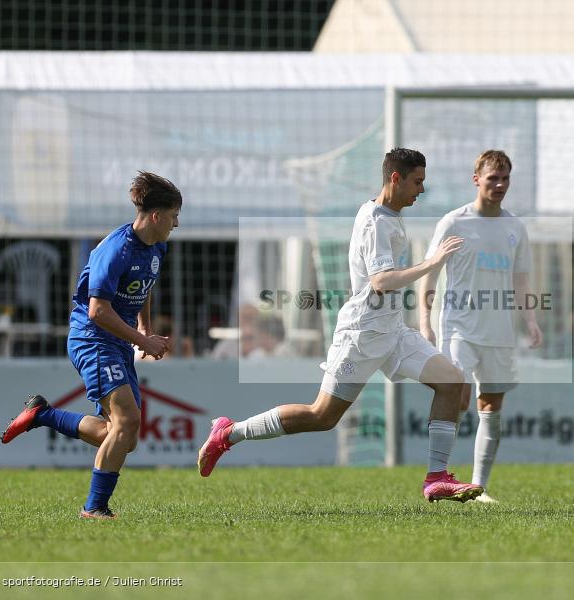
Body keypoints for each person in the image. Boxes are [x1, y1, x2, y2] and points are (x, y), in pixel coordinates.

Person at [197, 148, 483, 503]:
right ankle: (230, 433)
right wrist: (432, 262)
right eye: (417, 182)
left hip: (392, 332)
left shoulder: (388, 214)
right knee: (322, 415)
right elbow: (381, 281)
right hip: (362, 335)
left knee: (452, 381)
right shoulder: (376, 222)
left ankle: (436, 478)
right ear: (395, 178)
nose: (421, 190)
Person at [0, 172, 181, 519]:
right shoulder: (115, 250)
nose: (177, 223)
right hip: (92, 338)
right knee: (127, 421)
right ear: (156, 216)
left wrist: (144, 325)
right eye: (174, 216)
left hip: (118, 341)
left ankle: (43, 414)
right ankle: (94, 508)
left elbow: (144, 284)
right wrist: (143, 339)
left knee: (125, 437)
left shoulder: (156, 245)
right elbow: (98, 311)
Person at [418, 149, 542, 504]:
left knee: (490, 405)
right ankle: (439, 476)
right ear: (476, 180)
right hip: (459, 327)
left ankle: (479, 489)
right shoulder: (453, 223)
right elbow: (429, 274)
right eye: (492, 178)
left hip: (499, 331)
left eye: (505, 179)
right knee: (455, 395)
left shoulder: (515, 227)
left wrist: (530, 320)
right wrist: (425, 322)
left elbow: (521, 279)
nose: (499, 185)